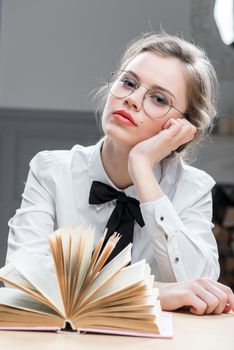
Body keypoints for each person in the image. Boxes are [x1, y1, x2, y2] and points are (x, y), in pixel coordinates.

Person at [6, 32, 234, 315]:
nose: (133, 99)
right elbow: (21, 282)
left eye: (159, 99)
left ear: (181, 128)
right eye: (128, 82)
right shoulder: (51, 171)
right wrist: (151, 292)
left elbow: (198, 289)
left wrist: (142, 167)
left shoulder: (193, 189)